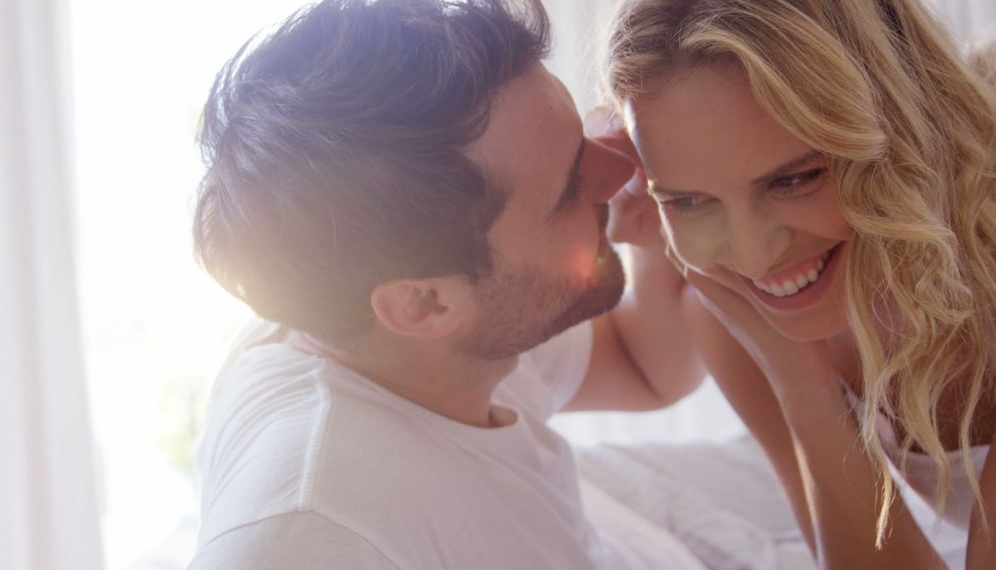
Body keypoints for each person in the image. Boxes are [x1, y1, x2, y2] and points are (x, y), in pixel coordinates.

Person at [186, 0, 708, 567]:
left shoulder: (421, 328)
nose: (626, 173)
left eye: (581, 142)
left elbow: (647, 369)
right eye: (568, 188)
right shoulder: (310, 538)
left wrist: (664, 230)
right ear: (425, 304)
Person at [604, 0, 996, 568]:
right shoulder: (732, 313)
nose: (754, 257)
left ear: (901, 125)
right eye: (689, 200)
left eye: (794, 179)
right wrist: (800, 382)